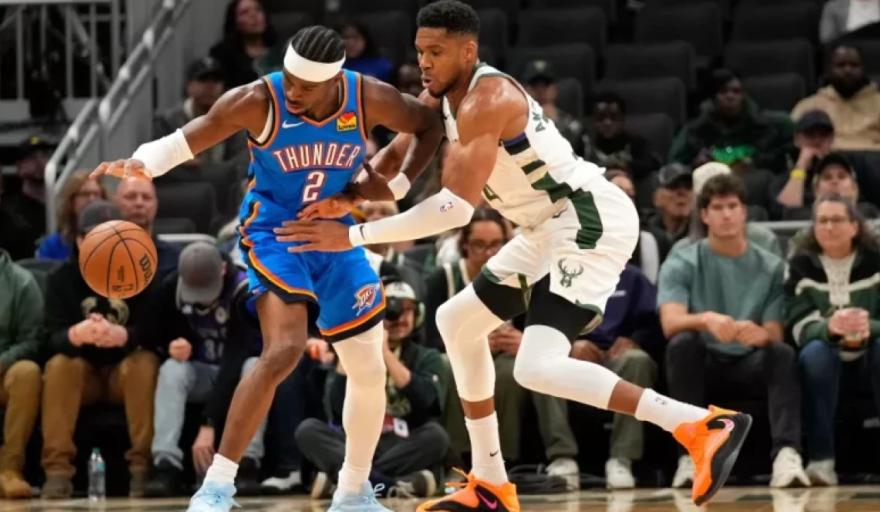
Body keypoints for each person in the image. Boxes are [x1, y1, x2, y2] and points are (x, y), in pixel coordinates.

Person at [275, 2, 753, 509]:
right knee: (456, 322)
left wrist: (352, 235)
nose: (425, 63)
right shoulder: (441, 94)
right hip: (543, 225)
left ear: (468, 51)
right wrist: (347, 197)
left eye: (436, 52)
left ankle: (698, 425)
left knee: (536, 367)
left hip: (587, 218)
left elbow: (454, 209)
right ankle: (490, 482)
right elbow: (397, 157)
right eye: (420, 52)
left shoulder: (487, 99)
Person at [91, 24, 443, 512]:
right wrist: (141, 162)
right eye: (289, 79)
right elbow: (192, 136)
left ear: (334, 80)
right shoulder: (258, 99)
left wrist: (386, 188)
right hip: (275, 231)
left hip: (335, 232)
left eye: (304, 85)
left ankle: (354, 492)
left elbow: (429, 125)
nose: (292, 91)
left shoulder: (367, 97)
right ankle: (217, 488)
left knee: (368, 366)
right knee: (284, 349)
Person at [658, 174, 808, 489]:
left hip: (749, 362)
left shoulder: (770, 266)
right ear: (704, 215)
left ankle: (787, 456)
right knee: (681, 345)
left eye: (732, 206)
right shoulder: (682, 260)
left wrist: (761, 334)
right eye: (717, 207)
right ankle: (690, 458)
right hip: (705, 360)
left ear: (744, 212)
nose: (726, 214)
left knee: (781, 353)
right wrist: (705, 319)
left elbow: (774, 331)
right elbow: (670, 322)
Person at [423, 209, 581, 490]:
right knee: (450, 367)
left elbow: (542, 324)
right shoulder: (443, 278)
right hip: (458, 355)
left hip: (508, 354)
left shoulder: (523, 275)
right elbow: (428, 339)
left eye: (496, 244)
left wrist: (524, 340)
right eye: (479, 245)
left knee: (517, 371)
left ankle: (505, 463)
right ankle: (456, 463)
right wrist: (470, 340)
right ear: (464, 246)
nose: (489, 253)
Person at [40, 201, 160, 499]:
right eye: (96, 237)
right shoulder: (61, 280)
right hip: (84, 375)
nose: (104, 245)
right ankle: (57, 471)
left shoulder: (142, 274)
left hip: (124, 372)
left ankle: (141, 468)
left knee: (144, 362)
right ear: (80, 241)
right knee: (59, 366)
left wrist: (124, 335)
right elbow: (47, 339)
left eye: (111, 236)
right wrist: (75, 334)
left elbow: (156, 331)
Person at [145, 242, 280, 497]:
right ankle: (166, 465)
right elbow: (150, 334)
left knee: (254, 367)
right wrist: (171, 345)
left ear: (222, 269)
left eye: (207, 290)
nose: (202, 298)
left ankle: (247, 464)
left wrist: (208, 423)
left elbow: (235, 358)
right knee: (172, 369)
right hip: (203, 372)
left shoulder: (245, 290)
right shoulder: (171, 286)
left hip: (239, 377)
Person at [296, 279, 448, 499]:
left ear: (418, 315)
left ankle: (346, 483)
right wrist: (356, 345)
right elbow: (336, 410)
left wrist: (384, 353)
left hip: (401, 442)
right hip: (356, 441)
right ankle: (389, 484)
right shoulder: (356, 350)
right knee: (308, 430)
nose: (398, 318)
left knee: (436, 437)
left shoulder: (427, 357)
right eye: (390, 311)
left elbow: (427, 402)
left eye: (407, 310)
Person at [785, 194, 880, 486]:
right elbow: (796, 325)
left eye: (837, 220)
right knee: (815, 354)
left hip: (871, 347)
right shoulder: (800, 265)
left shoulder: (876, 262)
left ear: (854, 226)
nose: (829, 227)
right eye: (822, 221)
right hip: (825, 349)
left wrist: (869, 326)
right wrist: (829, 327)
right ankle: (821, 460)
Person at [570, 263, 662, 489]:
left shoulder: (633, 277)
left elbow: (653, 323)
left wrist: (635, 339)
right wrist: (570, 345)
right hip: (574, 356)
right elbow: (540, 325)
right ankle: (561, 459)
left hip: (619, 356)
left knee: (637, 360)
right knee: (543, 364)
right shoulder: (562, 276)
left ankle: (622, 459)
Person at [669, 69, 793, 174]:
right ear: (713, 98)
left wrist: (758, 161)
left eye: (736, 91)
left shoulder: (771, 124)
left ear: (743, 95)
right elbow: (673, 166)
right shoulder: (695, 129)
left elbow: (789, 156)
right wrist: (694, 166)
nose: (730, 96)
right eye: (723, 91)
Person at [0, 246, 44, 498]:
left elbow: (32, 340)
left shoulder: (21, 281)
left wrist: (3, 362)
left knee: (27, 373)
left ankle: (9, 469)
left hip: (5, 371)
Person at [154, 56, 248, 168]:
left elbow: (239, 165)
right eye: (203, 79)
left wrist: (199, 167)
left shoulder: (234, 122)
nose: (210, 86)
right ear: (189, 85)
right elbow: (166, 168)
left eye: (216, 80)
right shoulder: (168, 122)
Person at [792, 45, 880, 151]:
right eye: (840, 65)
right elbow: (794, 142)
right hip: (826, 158)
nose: (847, 70)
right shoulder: (809, 106)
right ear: (829, 71)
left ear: (864, 69)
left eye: (854, 65)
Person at [113, 177, 181, 283]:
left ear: (156, 205)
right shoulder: (99, 256)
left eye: (147, 197)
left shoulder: (175, 259)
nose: (139, 203)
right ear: (115, 202)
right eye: (131, 197)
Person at [587, 91, 661, 184]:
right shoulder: (585, 145)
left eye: (614, 117)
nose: (607, 123)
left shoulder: (636, 143)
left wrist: (625, 165)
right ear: (593, 120)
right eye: (601, 118)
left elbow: (652, 163)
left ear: (622, 119)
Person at [209, 0, 283, 88]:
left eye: (258, 9)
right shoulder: (223, 56)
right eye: (244, 12)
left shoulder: (282, 50)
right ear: (234, 22)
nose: (253, 15)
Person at [776, 110, 836, 215]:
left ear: (831, 139)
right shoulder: (781, 176)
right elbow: (788, 211)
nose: (817, 141)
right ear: (797, 139)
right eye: (810, 135)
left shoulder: (844, 172)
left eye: (824, 135)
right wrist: (802, 164)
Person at [36, 170, 106, 261]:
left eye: (96, 194)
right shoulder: (53, 245)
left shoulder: (113, 238)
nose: (92, 199)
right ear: (72, 200)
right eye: (85, 194)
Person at [520, 60, 585, 156]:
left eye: (545, 85)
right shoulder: (511, 124)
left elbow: (582, 158)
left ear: (555, 89)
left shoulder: (572, 127)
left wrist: (555, 123)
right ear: (524, 89)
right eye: (534, 85)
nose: (540, 90)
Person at [644, 163, 693, 262]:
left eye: (688, 187)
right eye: (673, 187)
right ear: (656, 198)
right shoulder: (645, 237)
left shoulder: (702, 235)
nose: (682, 192)